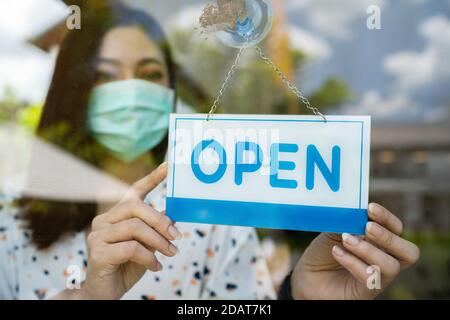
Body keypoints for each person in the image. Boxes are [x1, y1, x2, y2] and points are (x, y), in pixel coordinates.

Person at [0, 3, 419, 300]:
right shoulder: (9, 224)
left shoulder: (216, 212)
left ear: (168, 92)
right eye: (106, 77)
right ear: (74, 95)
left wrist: (300, 297)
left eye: (149, 74)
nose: (130, 91)